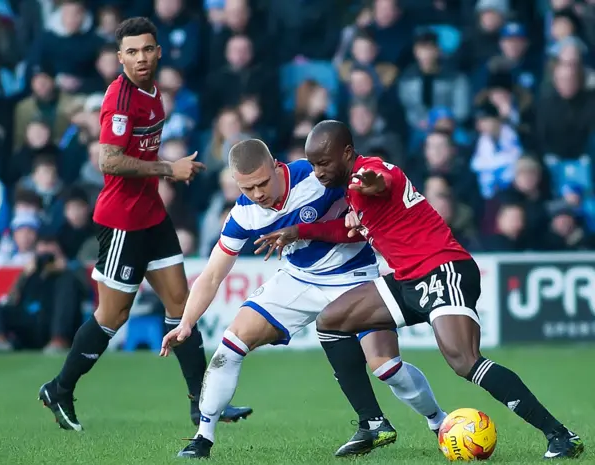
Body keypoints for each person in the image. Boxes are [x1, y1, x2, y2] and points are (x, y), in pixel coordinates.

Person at [254, 120, 584, 460]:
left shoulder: (368, 172)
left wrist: (371, 183)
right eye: (313, 164)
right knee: (332, 322)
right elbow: (351, 230)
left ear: (347, 153)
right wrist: (301, 231)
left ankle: (561, 435)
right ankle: (372, 423)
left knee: (463, 360)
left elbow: (383, 181)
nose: (318, 171)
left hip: (443, 268)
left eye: (323, 162)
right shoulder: (351, 191)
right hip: (410, 277)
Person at [163, 139, 447, 459]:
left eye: (262, 183)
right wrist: (186, 323)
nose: (257, 194)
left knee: (386, 367)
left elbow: (363, 182)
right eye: (247, 188)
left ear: (275, 164)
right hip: (297, 279)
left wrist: (357, 210)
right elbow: (212, 275)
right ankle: (203, 438)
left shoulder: (314, 176)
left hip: (352, 276)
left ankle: (439, 421)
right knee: (229, 346)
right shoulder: (243, 215)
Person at [38, 17, 251, 431]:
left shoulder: (154, 93)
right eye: (131, 52)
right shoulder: (120, 98)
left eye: (147, 49)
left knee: (182, 307)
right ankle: (59, 389)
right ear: (120, 58)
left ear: (158, 52)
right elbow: (109, 160)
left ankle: (203, 404)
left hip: (152, 215)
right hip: (122, 223)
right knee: (111, 318)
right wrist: (169, 168)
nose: (140, 58)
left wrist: (163, 175)